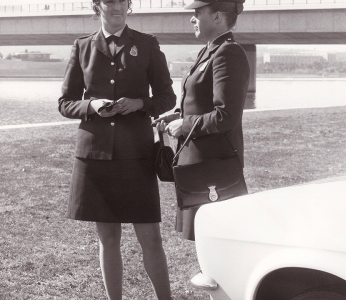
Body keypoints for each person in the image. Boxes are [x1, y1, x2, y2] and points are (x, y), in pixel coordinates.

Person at [58, 0, 176, 299]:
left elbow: (166, 97)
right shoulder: (82, 46)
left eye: (123, 2)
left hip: (135, 155)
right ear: (97, 6)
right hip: (95, 156)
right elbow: (65, 103)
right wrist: (91, 106)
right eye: (110, 2)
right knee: (108, 237)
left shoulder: (147, 44)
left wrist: (140, 104)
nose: (117, 8)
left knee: (150, 238)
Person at [154, 0, 249, 241]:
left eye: (197, 12)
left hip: (213, 168)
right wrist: (178, 115)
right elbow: (202, 100)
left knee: (218, 246)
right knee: (205, 245)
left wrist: (185, 125)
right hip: (199, 166)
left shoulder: (228, 52)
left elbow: (225, 115)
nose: (192, 18)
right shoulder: (210, 51)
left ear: (217, 17)